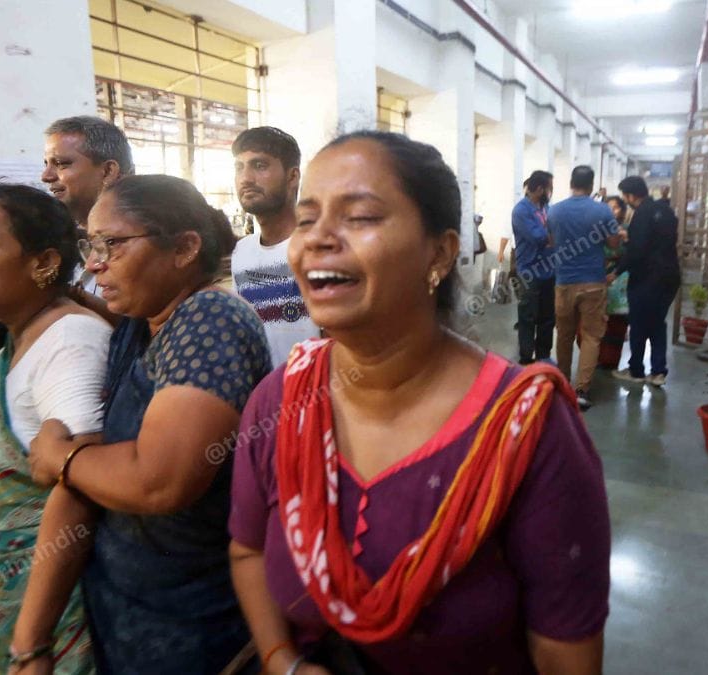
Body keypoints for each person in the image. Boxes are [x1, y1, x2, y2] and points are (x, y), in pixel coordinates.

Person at [228, 131, 610, 675]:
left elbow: (564, 656)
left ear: (440, 251)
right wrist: (281, 659)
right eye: (307, 218)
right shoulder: (281, 403)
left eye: (359, 216)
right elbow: (248, 551)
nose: (316, 239)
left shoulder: (528, 430)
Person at [23, 175, 272, 674]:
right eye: (90, 245)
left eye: (112, 244)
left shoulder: (210, 319)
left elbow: (160, 481)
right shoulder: (140, 325)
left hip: (198, 624)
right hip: (136, 614)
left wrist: (62, 458)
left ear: (184, 248)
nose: (95, 263)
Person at [0, 181, 111, 673]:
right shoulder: (26, 329)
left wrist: (33, 643)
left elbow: (80, 486)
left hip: (54, 616)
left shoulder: (69, 344)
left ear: (43, 263)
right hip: (13, 592)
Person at [230, 126, 317, 365]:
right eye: (239, 167)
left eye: (259, 165)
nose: (246, 178)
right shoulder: (241, 253)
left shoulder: (317, 247)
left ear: (292, 176)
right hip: (262, 398)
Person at [547, 165, 622, 409]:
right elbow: (613, 243)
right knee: (591, 336)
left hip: (564, 281)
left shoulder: (554, 211)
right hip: (593, 282)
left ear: (571, 182)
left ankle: (562, 384)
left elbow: (550, 242)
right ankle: (581, 391)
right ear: (591, 186)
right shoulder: (602, 211)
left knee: (565, 335)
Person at [42, 116, 135, 297]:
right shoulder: (70, 243)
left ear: (107, 171)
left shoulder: (142, 244)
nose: (45, 176)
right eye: (46, 164)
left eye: (61, 164)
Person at [611, 176, 681, 387]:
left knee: (639, 323)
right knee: (658, 323)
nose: (626, 200)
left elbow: (637, 251)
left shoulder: (641, 214)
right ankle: (658, 372)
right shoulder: (665, 209)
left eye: (625, 196)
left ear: (631, 195)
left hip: (647, 278)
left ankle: (636, 370)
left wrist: (616, 271)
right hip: (669, 276)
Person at [511, 170, 555, 364]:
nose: (550, 192)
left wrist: (551, 237)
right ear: (539, 189)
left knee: (547, 316)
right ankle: (526, 356)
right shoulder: (521, 210)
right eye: (549, 188)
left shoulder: (546, 208)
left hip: (549, 269)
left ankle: (543, 355)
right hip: (529, 270)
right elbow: (538, 238)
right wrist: (550, 236)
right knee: (528, 315)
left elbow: (552, 234)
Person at [599, 196, 631, 370]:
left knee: (617, 322)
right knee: (597, 321)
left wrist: (625, 240)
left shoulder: (627, 230)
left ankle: (610, 361)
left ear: (623, 211)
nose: (612, 211)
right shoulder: (597, 231)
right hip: (599, 278)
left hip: (620, 280)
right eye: (608, 207)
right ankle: (596, 358)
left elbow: (632, 253)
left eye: (616, 207)